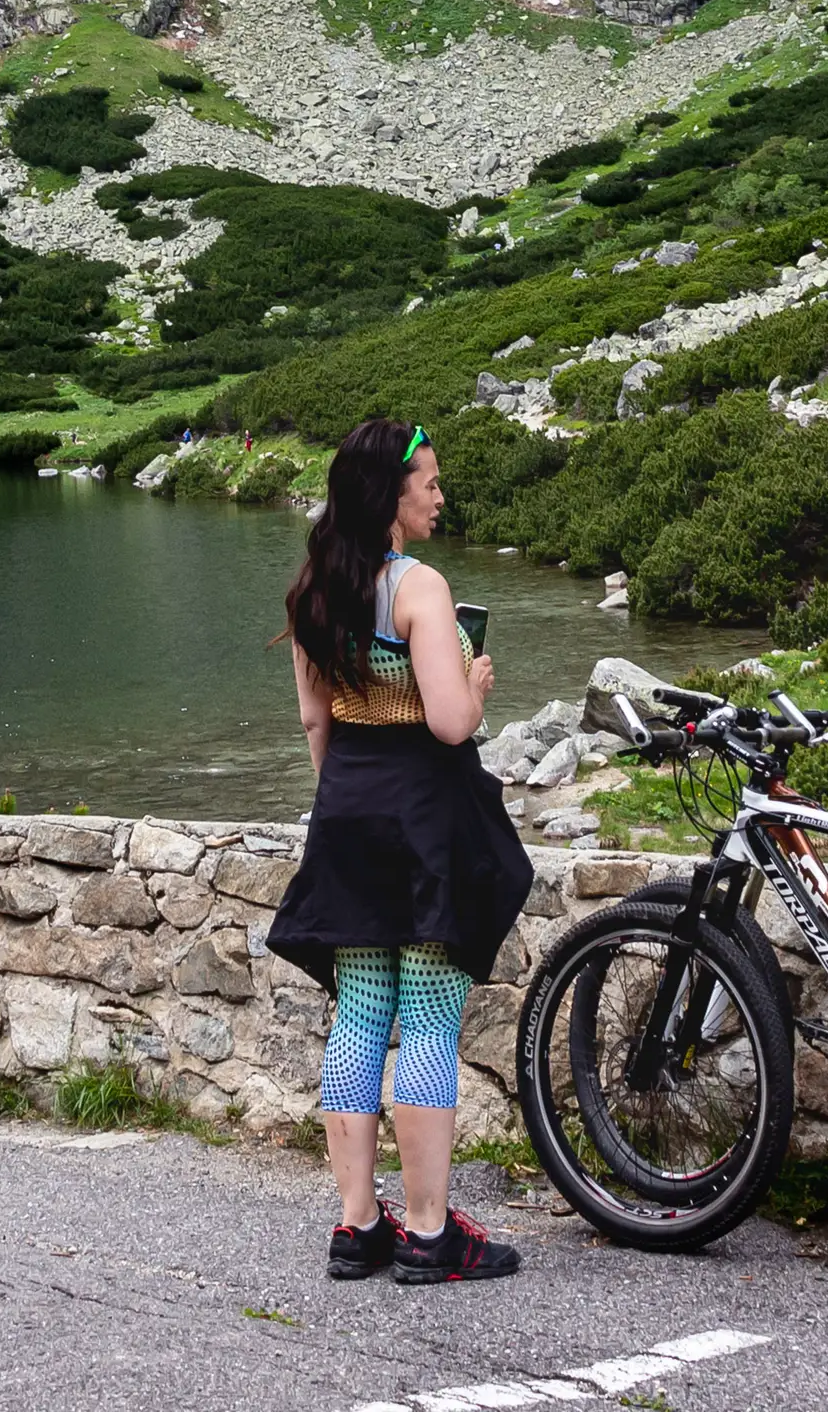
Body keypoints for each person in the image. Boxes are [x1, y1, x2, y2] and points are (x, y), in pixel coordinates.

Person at [266, 419, 532, 1286]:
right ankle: (426, 1231)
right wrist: (478, 684)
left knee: (358, 1016)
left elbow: (315, 722)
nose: (439, 495)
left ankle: (355, 1225)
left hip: (347, 814)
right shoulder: (420, 589)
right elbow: (452, 723)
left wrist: (345, 802)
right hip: (423, 820)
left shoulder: (311, 590)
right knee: (426, 1017)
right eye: (429, 482)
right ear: (390, 493)